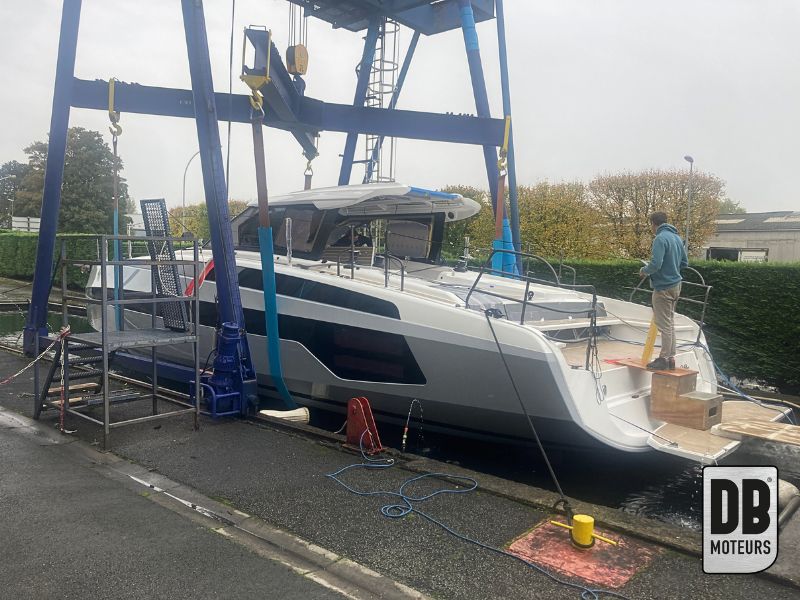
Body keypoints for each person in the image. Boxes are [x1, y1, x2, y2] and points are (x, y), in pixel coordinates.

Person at [639, 212, 689, 371]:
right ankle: (671, 358)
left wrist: (644, 270)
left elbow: (656, 264)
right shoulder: (677, 238)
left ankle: (664, 359)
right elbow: (684, 263)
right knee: (670, 322)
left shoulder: (660, 239)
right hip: (676, 285)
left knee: (663, 324)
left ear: (653, 223)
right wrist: (672, 269)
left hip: (663, 287)